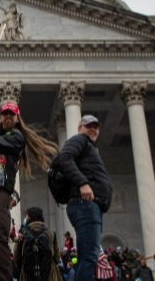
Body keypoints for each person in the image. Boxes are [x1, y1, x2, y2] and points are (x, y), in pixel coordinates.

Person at [0, 96, 58, 281]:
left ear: (17, 118)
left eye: (11, 114)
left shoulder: (17, 138)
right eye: (5, 113)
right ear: (0, 117)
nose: (8, 116)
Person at [53, 114, 113, 281]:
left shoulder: (89, 148)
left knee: (88, 255)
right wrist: (83, 183)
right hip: (85, 204)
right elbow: (64, 158)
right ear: (80, 128)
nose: (92, 129)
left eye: (96, 126)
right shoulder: (80, 140)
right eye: (88, 126)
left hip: (89, 206)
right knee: (89, 255)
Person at [14, 207, 61, 281]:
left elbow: (16, 256)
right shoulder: (50, 233)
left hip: (27, 275)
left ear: (28, 218)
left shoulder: (22, 233)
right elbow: (57, 258)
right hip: (48, 274)